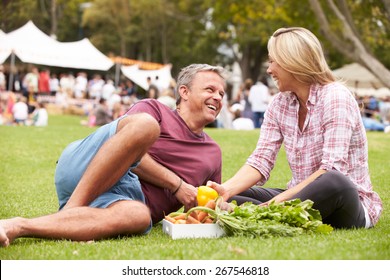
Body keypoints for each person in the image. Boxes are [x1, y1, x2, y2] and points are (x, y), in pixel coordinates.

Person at [0, 63, 227, 247]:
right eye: (210, 89)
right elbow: (124, 152)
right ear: (184, 92)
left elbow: (205, 204)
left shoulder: (213, 153)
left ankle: (18, 226)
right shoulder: (154, 109)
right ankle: (70, 213)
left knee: (139, 216)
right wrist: (177, 185)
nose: (218, 97)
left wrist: (215, 207)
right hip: (87, 166)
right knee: (146, 126)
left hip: (124, 201)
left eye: (221, 93)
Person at [207, 27, 382, 230]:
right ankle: (264, 214)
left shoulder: (336, 97)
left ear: (292, 61)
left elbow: (332, 169)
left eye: (273, 61)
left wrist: (277, 201)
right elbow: (261, 160)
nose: (269, 70)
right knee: (237, 195)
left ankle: (262, 214)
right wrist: (225, 190)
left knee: (334, 179)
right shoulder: (279, 104)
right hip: (301, 198)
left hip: (345, 204)